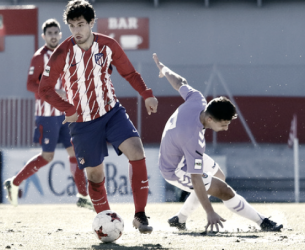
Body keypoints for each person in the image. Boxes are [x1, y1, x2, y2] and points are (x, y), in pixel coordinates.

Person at [38, 1, 158, 234]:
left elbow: (130, 73)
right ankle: (106, 222)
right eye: (72, 26)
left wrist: (147, 94)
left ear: (92, 23)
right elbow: (45, 89)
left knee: (137, 150)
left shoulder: (108, 45)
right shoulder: (62, 52)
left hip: (111, 112)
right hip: (82, 123)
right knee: (95, 175)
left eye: (81, 24)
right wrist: (67, 108)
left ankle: (140, 215)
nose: (77, 31)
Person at [153, 53, 283, 233]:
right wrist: (210, 211)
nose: (226, 128)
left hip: (180, 153)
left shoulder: (197, 99)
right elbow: (196, 178)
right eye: (224, 124)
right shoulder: (194, 140)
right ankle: (263, 222)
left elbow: (180, 82)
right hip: (174, 169)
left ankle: (179, 219)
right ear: (211, 118)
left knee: (218, 177)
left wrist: (164, 69)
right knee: (224, 190)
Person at [4, 19, 93, 210]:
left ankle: (83, 195)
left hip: (65, 114)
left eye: (56, 32)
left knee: (75, 153)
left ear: (60, 34)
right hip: (46, 115)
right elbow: (29, 84)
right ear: (44, 36)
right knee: (47, 157)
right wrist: (52, 91)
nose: (53, 36)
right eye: (49, 33)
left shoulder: (68, 52)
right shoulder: (39, 58)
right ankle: (14, 182)